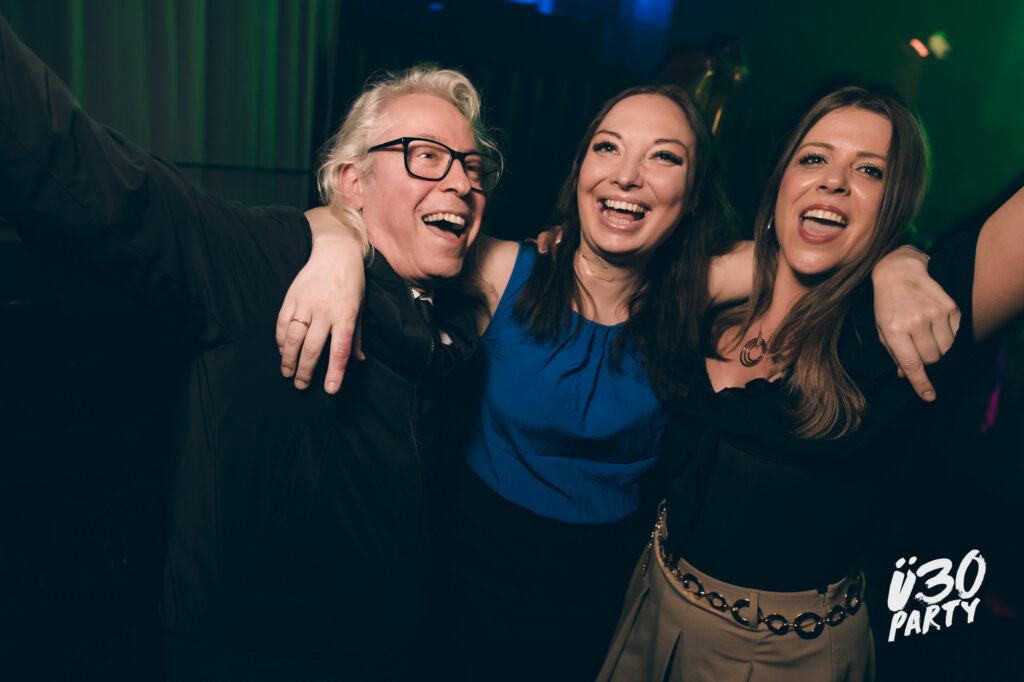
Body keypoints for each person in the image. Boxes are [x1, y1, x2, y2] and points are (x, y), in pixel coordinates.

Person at [282, 85, 958, 680]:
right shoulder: (502, 271)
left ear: (691, 198)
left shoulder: (696, 290)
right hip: (471, 589)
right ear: (580, 169)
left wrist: (901, 262)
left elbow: (832, 244)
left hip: (617, 601)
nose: (627, 176)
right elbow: (374, 216)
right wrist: (333, 244)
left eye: (664, 157)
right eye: (607, 148)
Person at [0, 14, 500, 680]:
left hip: (392, 655)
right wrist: (327, 234)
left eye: (472, 165)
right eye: (427, 156)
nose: (462, 182)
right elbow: (95, 180)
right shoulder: (270, 262)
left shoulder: (455, 325)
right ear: (353, 182)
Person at [596, 87, 1024, 681]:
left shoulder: (889, 334)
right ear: (781, 183)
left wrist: (901, 258)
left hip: (779, 656)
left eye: (869, 171)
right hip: (649, 598)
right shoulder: (715, 300)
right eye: (814, 158)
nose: (833, 181)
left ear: (893, 205)